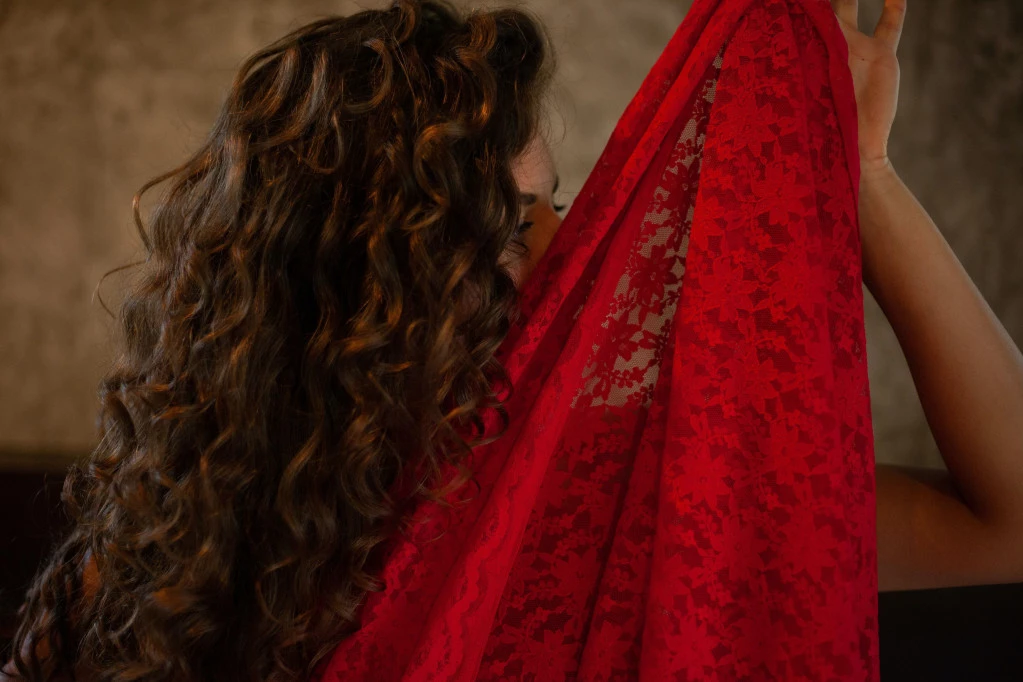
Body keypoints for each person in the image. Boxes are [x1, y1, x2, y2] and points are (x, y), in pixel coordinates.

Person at [4, 0, 1023, 679]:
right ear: (363, 285)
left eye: (554, 206)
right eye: (504, 224)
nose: (561, 247)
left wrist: (867, 180)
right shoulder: (154, 571)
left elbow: (1006, 522)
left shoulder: (616, 491)